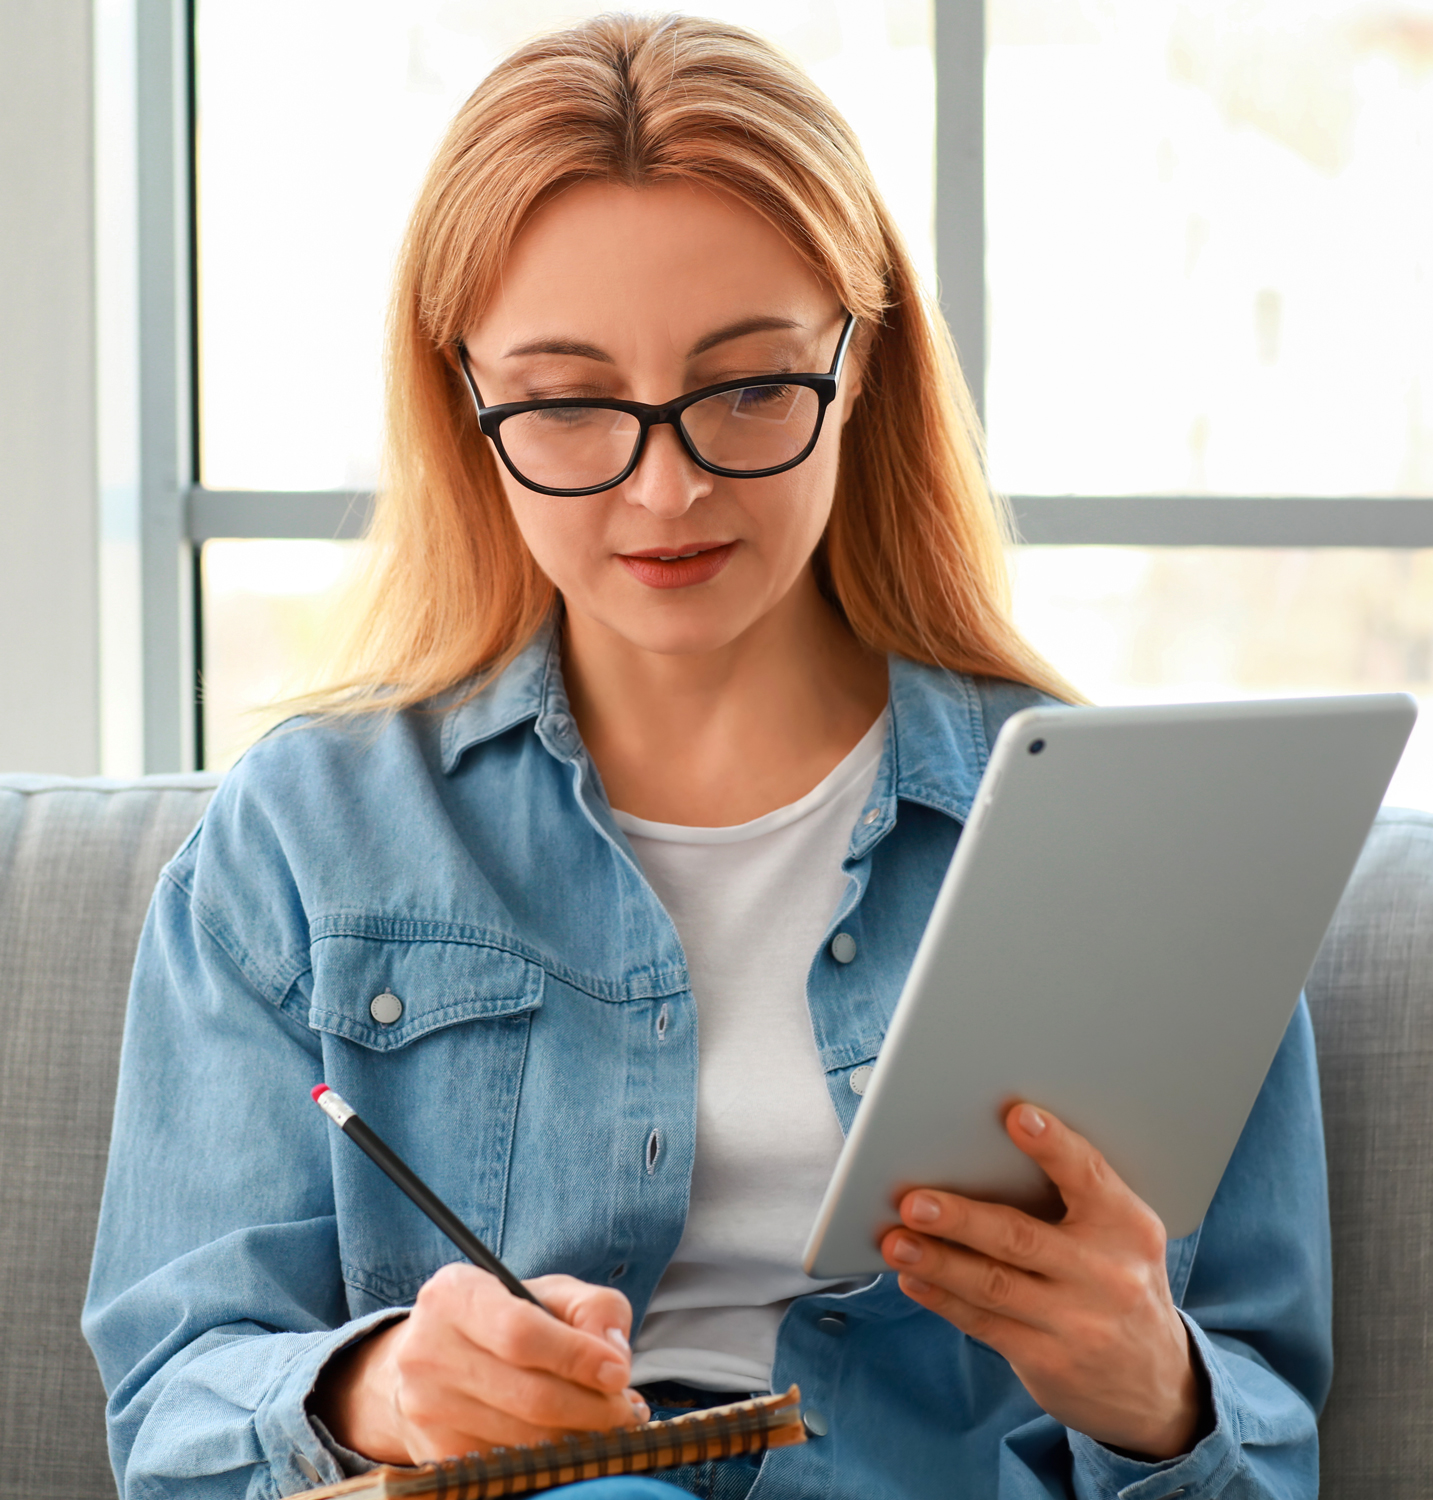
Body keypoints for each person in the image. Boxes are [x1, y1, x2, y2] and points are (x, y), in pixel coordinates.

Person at [83, 14, 1331, 1500]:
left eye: (748, 388)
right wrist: (382, 1389)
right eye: (565, 404)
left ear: (858, 369)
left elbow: (1269, 1442)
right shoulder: (305, 839)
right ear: (468, 405)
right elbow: (173, 1411)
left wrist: (1153, 1390)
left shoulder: (1141, 848)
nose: (665, 489)